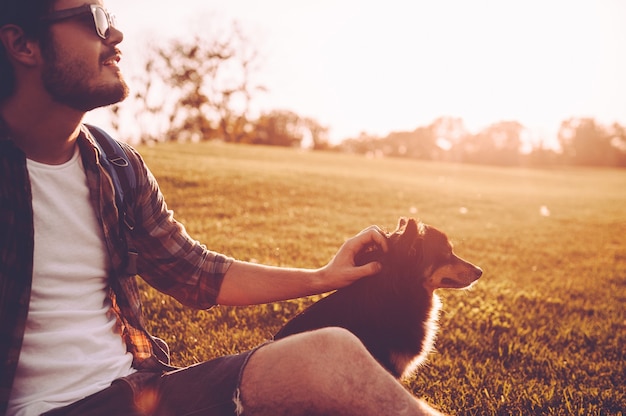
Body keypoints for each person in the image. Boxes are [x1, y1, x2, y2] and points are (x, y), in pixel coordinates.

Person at [0, 1, 446, 415]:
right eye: (94, 17)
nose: (115, 33)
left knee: (332, 352)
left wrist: (324, 278)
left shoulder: (116, 164)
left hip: (141, 391)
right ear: (23, 45)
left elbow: (195, 271)